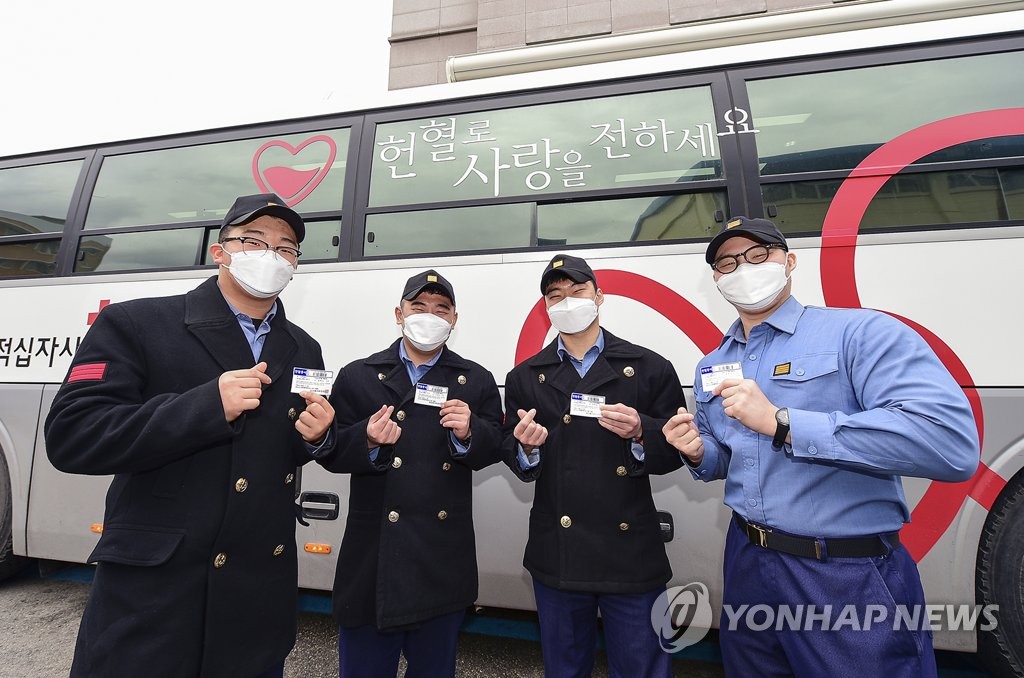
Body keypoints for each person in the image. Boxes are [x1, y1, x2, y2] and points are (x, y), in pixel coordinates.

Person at [662, 216, 980, 677]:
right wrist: (696, 451)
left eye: (758, 255)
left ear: (789, 262)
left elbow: (949, 443)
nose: (743, 269)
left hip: (843, 572)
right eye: (728, 262)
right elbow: (730, 458)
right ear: (716, 280)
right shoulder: (714, 363)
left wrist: (784, 422)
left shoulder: (860, 333)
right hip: (748, 561)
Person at [43, 193, 336, 678]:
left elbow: (272, 454)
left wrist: (316, 437)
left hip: (256, 600)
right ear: (219, 251)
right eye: (253, 241)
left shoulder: (304, 347)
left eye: (286, 248)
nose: (272, 256)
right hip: (157, 599)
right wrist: (203, 406)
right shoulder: (137, 323)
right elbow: (72, 435)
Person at [503, 254, 686, 678]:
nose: (567, 301)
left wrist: (643, 433)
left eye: (577, 291)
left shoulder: (649, 366)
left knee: (642, 666)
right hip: (559, 553)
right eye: (555, 295)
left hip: (631, 553)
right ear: (546, 308)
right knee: (565, 668)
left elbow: (678, 450)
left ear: (598, 296)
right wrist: (526, 449)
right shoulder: (525, 377)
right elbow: (515, 455)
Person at [317, 269, 503, 678]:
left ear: (454, 320)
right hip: (372, 564)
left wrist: (471, 432)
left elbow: (498, 448)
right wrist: (366, 440)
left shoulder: (475, 380)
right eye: (419, 307)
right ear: (398, 314)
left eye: (441, 309)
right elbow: (330, 451)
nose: (429, 315)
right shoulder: (359, 374)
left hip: (440, 563)